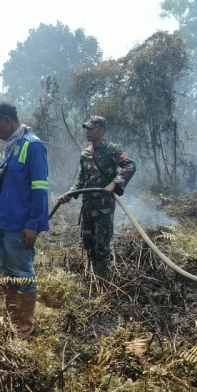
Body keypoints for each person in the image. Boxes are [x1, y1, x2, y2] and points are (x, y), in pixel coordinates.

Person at [0, 100, 49, 337]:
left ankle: (26, 321)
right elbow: (8, 189)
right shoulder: (11, 147)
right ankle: (11, 314)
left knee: (22, 273)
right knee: (7, 271)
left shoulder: (33, 146)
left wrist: (33, 225)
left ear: (6, 121)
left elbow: (40, 189)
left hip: (21, 226)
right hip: (5, 224)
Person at [58, 116, 135, 277]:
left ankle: (102, 280)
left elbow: (131, 165)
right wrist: (70, 193)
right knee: (88, 243)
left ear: (101, 130)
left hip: (104, 208)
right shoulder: (85, 153)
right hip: (87, 206)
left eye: (91, 129)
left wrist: (114, 183)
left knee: (102, 246)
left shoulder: (113, 150)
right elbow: (81, 179)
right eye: (86, 129)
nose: (87, 132)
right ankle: (90, 276)